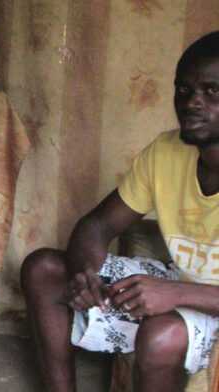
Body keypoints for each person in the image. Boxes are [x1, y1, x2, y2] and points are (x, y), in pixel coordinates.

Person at [21, 30, 219, 392]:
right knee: (44, 268)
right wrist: (86, 275)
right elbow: (97, 225)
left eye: (213, 92)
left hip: (208, 304)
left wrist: (175, 294)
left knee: (162, 334)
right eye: (184, 90)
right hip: (182, 283)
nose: (191, 103)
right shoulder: (166, 152)